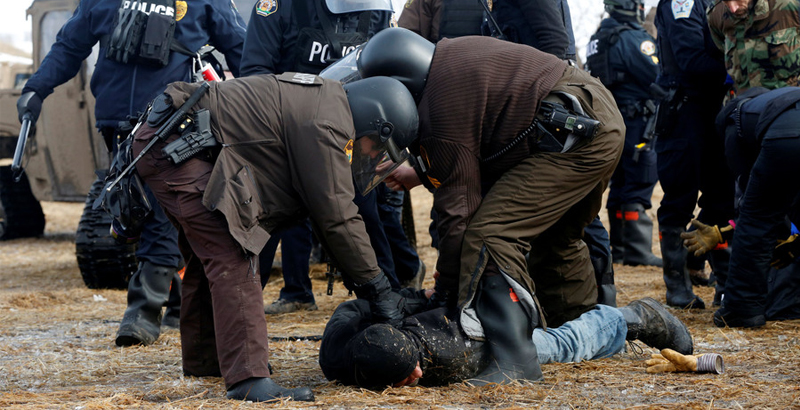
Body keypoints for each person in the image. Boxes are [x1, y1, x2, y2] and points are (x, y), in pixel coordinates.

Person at [327, 27, 625, 384]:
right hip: (591, 119)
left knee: (492, 234)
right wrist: (421, 170)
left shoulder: (440, 107)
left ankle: (517, 362)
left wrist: (447, 294)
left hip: (573, 129)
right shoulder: (443, 66)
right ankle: (584, 328)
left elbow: (460, 217)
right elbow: (476, 144)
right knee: (555, 237)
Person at [128, 74, 417, 401]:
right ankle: (248, 379)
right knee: (234, 255)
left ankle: (205, 363)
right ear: (374, 119)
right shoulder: (327, 123)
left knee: (208, 256)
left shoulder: (326, 105)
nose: (373, 155)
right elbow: (336, 215)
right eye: (377, 146)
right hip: (177, 143)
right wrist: (378, 288)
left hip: (171, 137)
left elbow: (323, 209)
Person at [15, 0, 247, 346]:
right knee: (150, 210)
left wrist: (268, 100)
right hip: (116, 122)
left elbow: (242, 50)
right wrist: (36, 88)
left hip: (170, 120)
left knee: (161, 212)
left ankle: (143, 312)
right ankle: (182, 305)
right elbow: (70, 45)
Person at [239, 0, 422, 312]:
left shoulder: (371, 7)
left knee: (361, 214)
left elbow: (385, 71)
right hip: (289, 128)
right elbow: (254, 73)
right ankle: (288, 293)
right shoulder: (277, 6)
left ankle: (387, 293)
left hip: (349, 133)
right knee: (281, 212)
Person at [319, 295, 693, 388]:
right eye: (406, 376)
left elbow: (355, 306)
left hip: (484, 334)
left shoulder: (446, 355)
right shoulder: (335, 358)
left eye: (413, 363)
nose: (417, 373)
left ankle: (636, 316)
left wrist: (415, 298)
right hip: (463, 324)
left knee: (559, 346)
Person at [682, 86, 800, 327]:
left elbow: (751, 203)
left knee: (757, 221)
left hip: (787, 135)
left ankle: (742, 310)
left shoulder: (734, 120)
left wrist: (735, 229)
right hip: (788, 132)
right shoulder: (780, 99)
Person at [652, 0, 733, 310]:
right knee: (679, 199)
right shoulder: (681, 2)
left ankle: (724, 281)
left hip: (713, 111)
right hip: (684, 112)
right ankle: (677, 285)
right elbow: (691, 60)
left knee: (723, 199)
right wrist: (738, 66)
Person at [585, 0, 662, 268]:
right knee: (639, 180)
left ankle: (618, 248)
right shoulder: (633, 39)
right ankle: (637, 250)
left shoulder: (598, 37)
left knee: (619, 183)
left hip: (610, 122)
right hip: (636, 121)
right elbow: (656, 74)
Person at [707, 0, 800, 94]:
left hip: (788, 99)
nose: (733, 9)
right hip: (744, 101)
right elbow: (720, 47)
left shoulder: (791, 4)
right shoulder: (716, 13)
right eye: (726, 2)